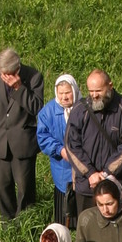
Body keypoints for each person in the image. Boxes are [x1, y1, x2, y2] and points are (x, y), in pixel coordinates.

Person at [0, 47, 45, 221]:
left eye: (8, 74)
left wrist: (18, 88)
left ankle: (25, 220)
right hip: (1, 140)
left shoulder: (34, 77)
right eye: (1, 73)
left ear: (17, 69)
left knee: (24, 186)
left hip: (23, 142)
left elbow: (37, 107)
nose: (4, 77)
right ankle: (7, 222)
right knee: (3, 185)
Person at [65, 69, 122, 212]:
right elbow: (71, 145)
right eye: (90, 91)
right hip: (87, 185)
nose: (94, 95)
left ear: (110, 86)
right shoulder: (79, 110)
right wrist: (90, 173)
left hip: (114, 184)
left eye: (98, 90)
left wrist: (106, 173)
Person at [36, 73, 80, 228]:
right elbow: (43, 137)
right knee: (64, 206)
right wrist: (60, 150)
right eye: (61, 94)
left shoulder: (83, 108)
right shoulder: (48, 112)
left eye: (67, 93)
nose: (64, 97)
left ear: (74, 90)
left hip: (83, 167)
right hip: (62, 167)